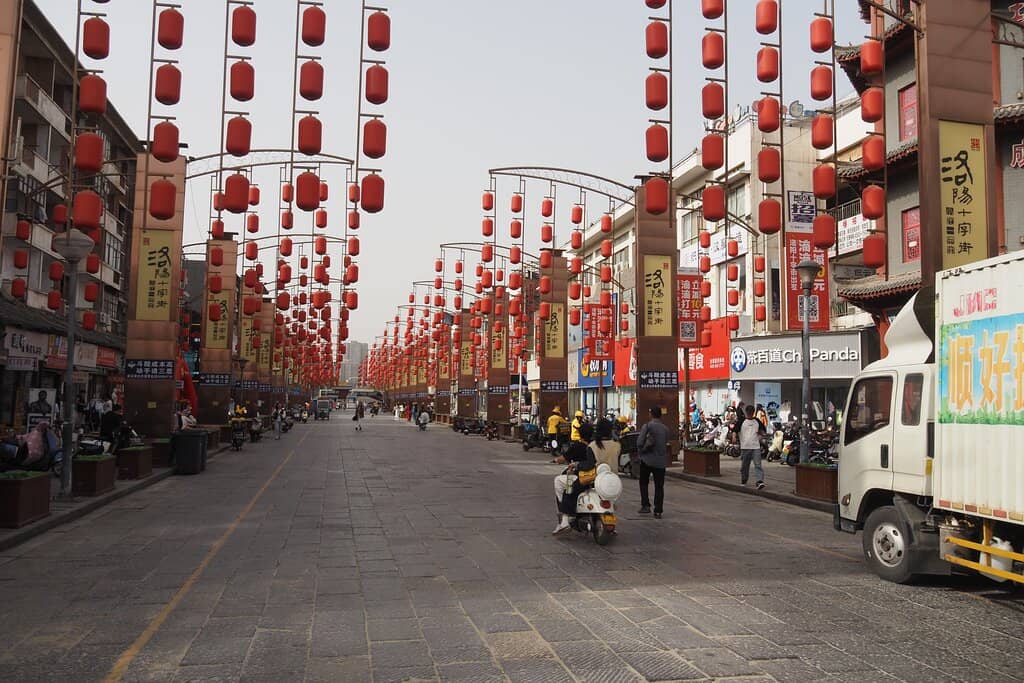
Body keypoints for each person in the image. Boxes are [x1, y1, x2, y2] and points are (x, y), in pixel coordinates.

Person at [552, 422, 596, 534]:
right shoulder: (595, 445)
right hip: (599, 478)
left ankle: (565, 516)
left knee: (560, 482)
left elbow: (563, 458)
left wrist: (557, 460)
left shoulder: (578, 446)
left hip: (583, 477)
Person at [636, 406, 670, 518]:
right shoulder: (665, 429)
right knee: (659, 486)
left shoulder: (647, 426)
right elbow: (666, 442)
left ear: (651, 414)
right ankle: (658, 510)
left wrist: (641, 450)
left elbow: (639, 442)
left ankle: (645, 505)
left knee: (643, 483)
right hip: (660, 462)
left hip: (647, 460)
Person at [739, 404, 766, 489]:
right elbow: (735, 430)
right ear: (746, 412)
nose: (750, 414)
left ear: (753, 412)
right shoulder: (742, 421)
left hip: (755, 446)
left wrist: (761, 434)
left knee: (758, 465)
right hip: (745, 447)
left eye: (751, 412)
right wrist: (734, 435)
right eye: (749, 412)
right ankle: (744, 480)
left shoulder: (757, 421)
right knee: (745, 466)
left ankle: (759, 481)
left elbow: (763, 430)